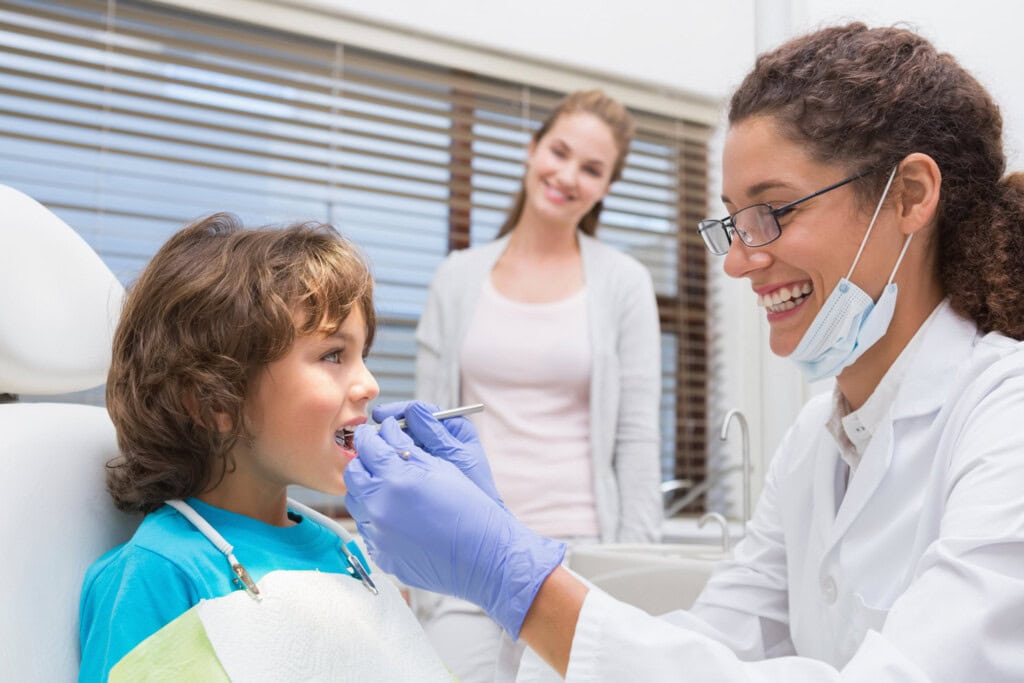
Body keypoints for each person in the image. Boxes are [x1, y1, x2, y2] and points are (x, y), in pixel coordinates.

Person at [344, 22, 1024, 681]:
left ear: (909, 195)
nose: (738, 263)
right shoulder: (814, 443)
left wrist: (513, 576)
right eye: (733, 221)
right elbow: (708, 642)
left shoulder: (1004, 415)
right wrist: (500, 569)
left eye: (774, 211)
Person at [78, 214, 455, 681]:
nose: (370, 386)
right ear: (214, 400)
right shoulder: (160, 574)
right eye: (333, 355)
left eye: (363, 355)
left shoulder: (345, 553)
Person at [411, 89, 662, 680]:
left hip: (576, 558)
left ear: (606, 187)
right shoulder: (457, 277)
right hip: (468, 548)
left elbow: (637, 437)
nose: (568, 175)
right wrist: (414, 571)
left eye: (593, 169)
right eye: (560, 151)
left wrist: (634, 568)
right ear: (532, 150)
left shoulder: (624, 283)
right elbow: (424, 432)